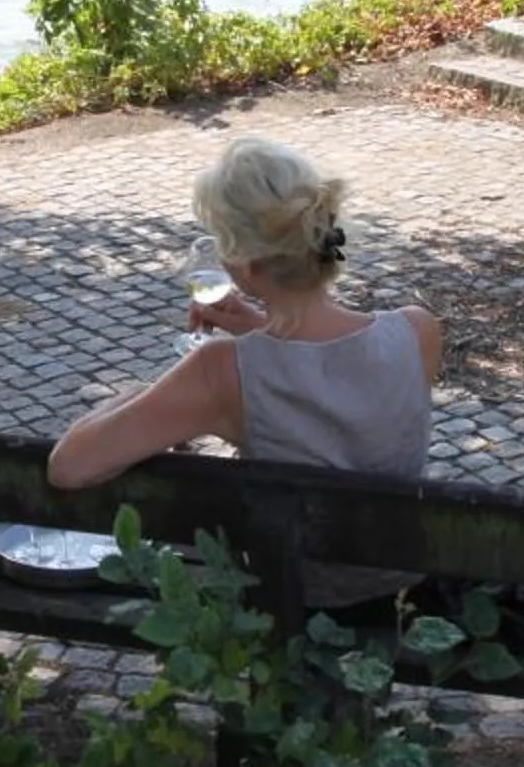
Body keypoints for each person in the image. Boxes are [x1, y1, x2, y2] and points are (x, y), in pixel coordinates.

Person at [48, 136, 442, 605]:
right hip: (394, 590)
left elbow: (68, 467)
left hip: (291, 600)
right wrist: (261, 326)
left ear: (242, 265)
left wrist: (138, 393)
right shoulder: (417, 332)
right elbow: (337, 383)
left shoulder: (222, 371)